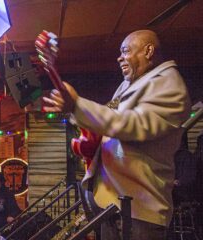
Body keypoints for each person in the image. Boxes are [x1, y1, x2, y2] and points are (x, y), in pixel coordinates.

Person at [42, 29, 191, 240]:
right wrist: (73, 110)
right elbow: (108, 120)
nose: (119, 57)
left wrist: (77, 106)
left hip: (139, 209)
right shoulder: (130, 84)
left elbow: (131, 125)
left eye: (125, 51)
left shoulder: (169, 85)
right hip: (115, 203)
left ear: (148, 51)